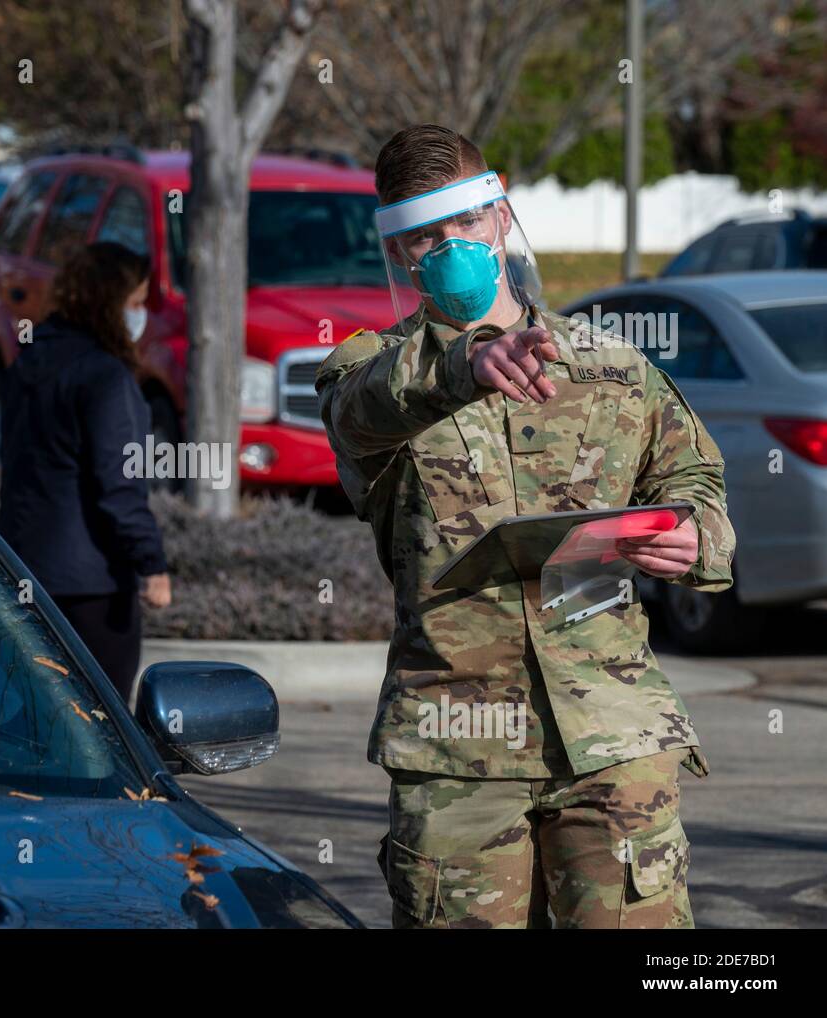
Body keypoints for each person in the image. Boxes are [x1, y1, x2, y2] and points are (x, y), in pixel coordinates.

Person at [315, 124, 736, 929]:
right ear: (399, 254)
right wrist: (463, 364)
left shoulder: (614, 366)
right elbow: (358, 413)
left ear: (501, 217)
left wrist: (695, 538)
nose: (449, 251)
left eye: (464, 226)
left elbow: (693, 480)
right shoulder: (369, 372)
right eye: (422, 238)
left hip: (615, 734)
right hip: (456, 749)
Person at [0, 242, 171, 704]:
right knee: (101, 725)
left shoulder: (27, 363)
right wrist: (151, 563)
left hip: (21, 567)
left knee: (29, 717)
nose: (140, 315)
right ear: (108, 303)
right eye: (134, 303)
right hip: (92, 585)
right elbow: (119, 485)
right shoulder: (105, 377)